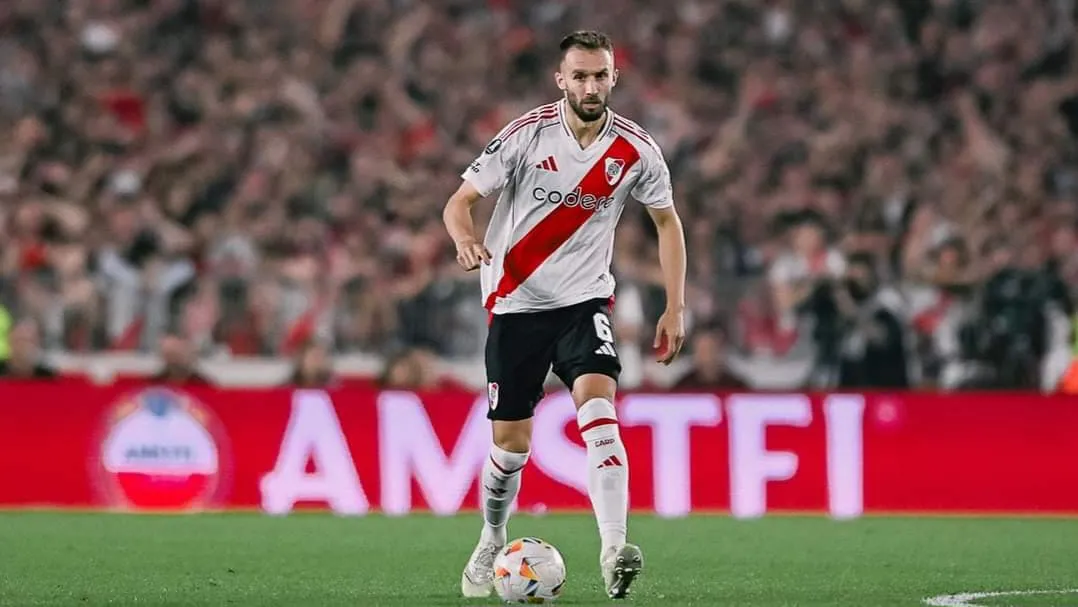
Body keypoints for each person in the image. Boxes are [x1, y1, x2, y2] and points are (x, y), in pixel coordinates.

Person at [442, 30, 687, 600]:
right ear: (562, 81)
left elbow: (668, 223)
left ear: (613, 79)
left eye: (600, 75)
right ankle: (490, 537)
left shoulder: (636, 150)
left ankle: (613, 550)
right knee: (511, 448)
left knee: (600, 412)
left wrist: (675, 306)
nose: (591, 85)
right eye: (580, 76)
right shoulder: (526, 135)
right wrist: (464, 241)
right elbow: (459, 203)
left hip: (584, 303)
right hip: (516, 304)